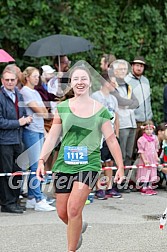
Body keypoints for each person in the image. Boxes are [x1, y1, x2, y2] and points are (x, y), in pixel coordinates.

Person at [36, 65, 124, 251]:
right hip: (64, 165)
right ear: (71, 83)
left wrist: (121, 167)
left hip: (89, 165)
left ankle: (71, 249)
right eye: (76, 79)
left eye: (84, 78)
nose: (80, 82)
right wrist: (42, 160)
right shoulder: (62, 108)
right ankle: (77, 230)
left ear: (90, 82)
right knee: (62, 212)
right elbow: (52, 136)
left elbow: (112, 141)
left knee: (74, 209)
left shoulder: (100, 110)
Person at [20, 66, 56, 212]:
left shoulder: (35, 92)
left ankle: (32, 198)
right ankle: (39, 198)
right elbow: (42, 111)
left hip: (39, 129)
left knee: (37, 164)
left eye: (38, 76)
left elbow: (45, 112)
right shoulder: (25, 92)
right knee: (36, 166)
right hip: (31, 131)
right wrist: (44, 111)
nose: (37, 78)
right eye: (34, 76)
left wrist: (44, 111)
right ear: (27, 77)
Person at [0, 67, 32, 213]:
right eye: (7, 80)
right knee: (6, 173)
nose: (10, 82)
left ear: (16, 80)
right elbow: (1, 122)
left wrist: (27, 120)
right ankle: (7, 203)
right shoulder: (0, 96)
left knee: (18, 171)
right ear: (2, 81)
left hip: (18, 139)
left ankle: (15, 200)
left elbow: (23, 112)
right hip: (5, 141)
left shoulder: (18, 94)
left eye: (12, 80)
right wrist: (18, 123)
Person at [91, 72, 121, 199]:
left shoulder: (113, 99)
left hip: (110, 134)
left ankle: (109, 186)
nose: (115, 85)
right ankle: (99, 187)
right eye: (113, 82)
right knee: (99, 162)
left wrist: (116, 133)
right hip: (99, 134)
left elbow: (116, 116)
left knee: (109, 161)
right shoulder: (95, 96)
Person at [124, 56, 153, 160]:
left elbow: (148, 100)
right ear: (132, 66)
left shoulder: (146, 81)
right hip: (133, 120)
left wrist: (149, 117)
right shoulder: (126, 80)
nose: (139, 68)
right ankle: (126, 174)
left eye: (141, 66)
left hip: (147, 120)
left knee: (147, 149)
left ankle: (141, 174)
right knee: (130, 149)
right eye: (137, 65)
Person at [136, 121, 159, 195]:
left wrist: (157, 157)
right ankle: (144, 187)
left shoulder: (155, 138)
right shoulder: (141, 139)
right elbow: (141, 151)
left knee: (152, 172)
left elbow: (155, 149)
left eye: (150, 129)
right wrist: (144, 160)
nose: (149, 131)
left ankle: (150, 186)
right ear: (144, 130)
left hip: (152, 159)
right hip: (145, 159)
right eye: (147, 129)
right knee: (145, 172)